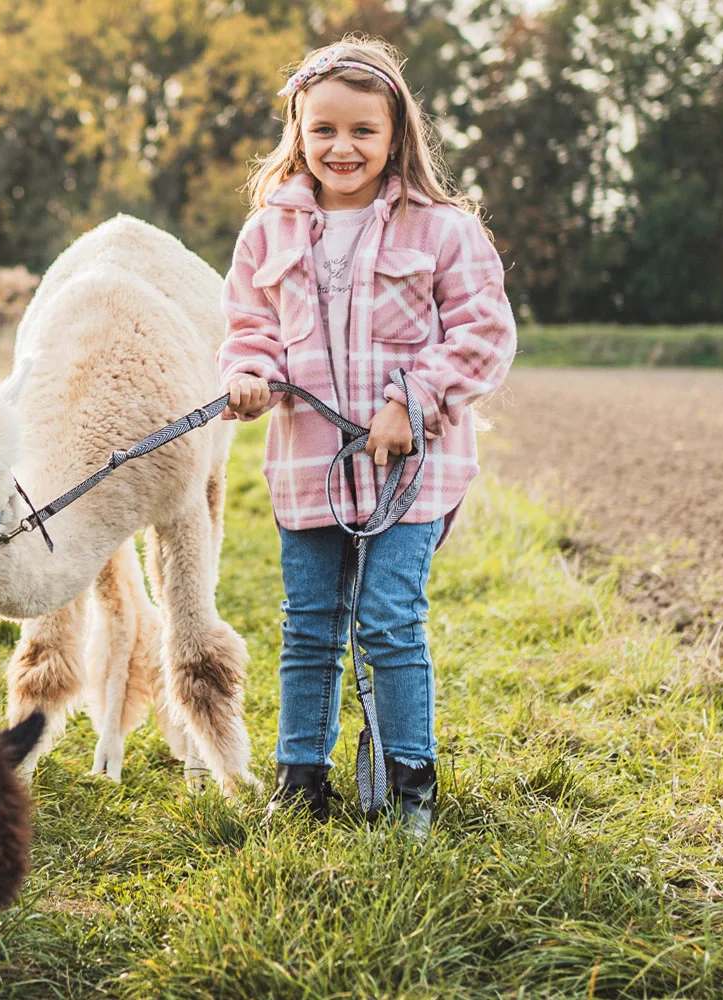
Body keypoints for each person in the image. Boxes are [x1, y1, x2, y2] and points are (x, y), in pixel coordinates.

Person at [217, 37, 517, 837]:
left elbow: (484, 335)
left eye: (361, 132)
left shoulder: (444, 231)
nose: (341, 148)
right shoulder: (266, 236)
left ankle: (409, 782)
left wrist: (411, 404)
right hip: (310, 467)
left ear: (395, 138)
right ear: (298, 133)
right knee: (309, 623)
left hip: (410, 473)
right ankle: (300, 779)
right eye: (323, 131)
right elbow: (250, 326)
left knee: (387, 618)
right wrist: (247, 374)